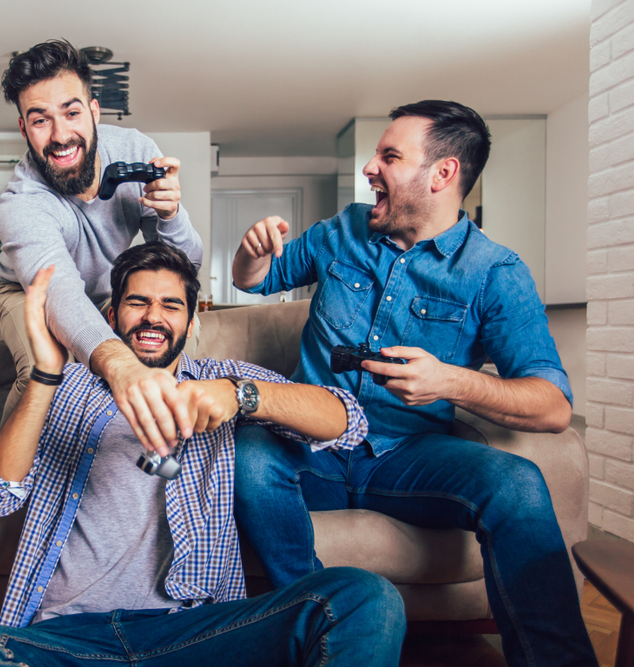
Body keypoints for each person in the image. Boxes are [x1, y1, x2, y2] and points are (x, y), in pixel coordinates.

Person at [231, 100, 597, 667]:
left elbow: (552, 406)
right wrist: (250, 256)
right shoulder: (345, 230)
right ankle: (314, 623)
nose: (370, 168)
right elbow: (257, 279)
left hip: (409, 459)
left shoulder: (495, 272)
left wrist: (451, 382)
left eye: (390, 156)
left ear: (442, 173)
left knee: (519, 483)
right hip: (312, 444)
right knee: (249, 451)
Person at [0, 242, 405, 667]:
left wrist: (242, 395)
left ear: (193, 321)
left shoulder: (222, 378)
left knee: (366, 598)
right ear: (110, 319)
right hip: (66, 637)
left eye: (171, 305)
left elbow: (348, 422)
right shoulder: (67, 386)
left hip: (193, 632)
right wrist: (45, 374)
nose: (154, 316)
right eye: (138, 303)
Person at [0, 39, 204, 453]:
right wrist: (121, 366)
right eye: (40, 121)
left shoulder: (135, 150)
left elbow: (185, 271)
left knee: (182, 344)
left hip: (110, 287)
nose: (60, 136)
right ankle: (13, 482)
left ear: (94, 111)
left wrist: (170, 215)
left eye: (71, 113)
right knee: (44, 366)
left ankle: (172, 468)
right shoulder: (20, 204)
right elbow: (62, 296)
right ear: (23, 129)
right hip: (28, 290)